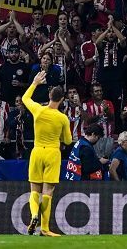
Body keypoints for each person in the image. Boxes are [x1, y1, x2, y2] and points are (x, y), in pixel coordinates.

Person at [22, 70, 72, 237]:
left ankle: (34, 215)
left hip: (37, 151)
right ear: (62, 100)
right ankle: (44, 228)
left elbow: (25, 99)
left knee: (34, 190)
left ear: (49, 95)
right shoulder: (62, 118)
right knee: (48, 192)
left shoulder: (38, 110)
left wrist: (35, 83)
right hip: (52, 153)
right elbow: (67, 140)